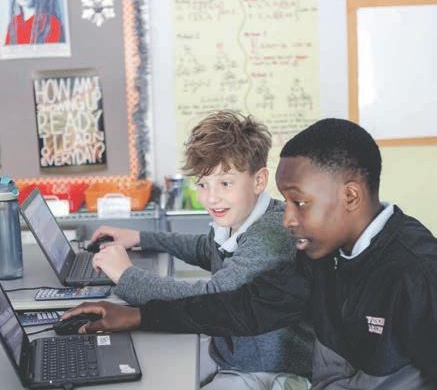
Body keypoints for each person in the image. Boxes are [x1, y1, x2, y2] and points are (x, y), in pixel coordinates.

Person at [64, 117, 437, 389]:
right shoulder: (323, 256)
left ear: (350, 196)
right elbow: (243, 307)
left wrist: (132, 288)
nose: (287, 219)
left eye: (299, 203)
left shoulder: (418, 273)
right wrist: (139, 316)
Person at [86, 110, 313, 389]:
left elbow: (213, 297)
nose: (212, 198)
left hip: (270, 372)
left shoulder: (269, 234)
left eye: (225, 183)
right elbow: (206, 248)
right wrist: (142, 237)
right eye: (203, 185)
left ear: (258, 181)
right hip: (233, 357)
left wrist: (126, 275)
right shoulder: (239, 219)